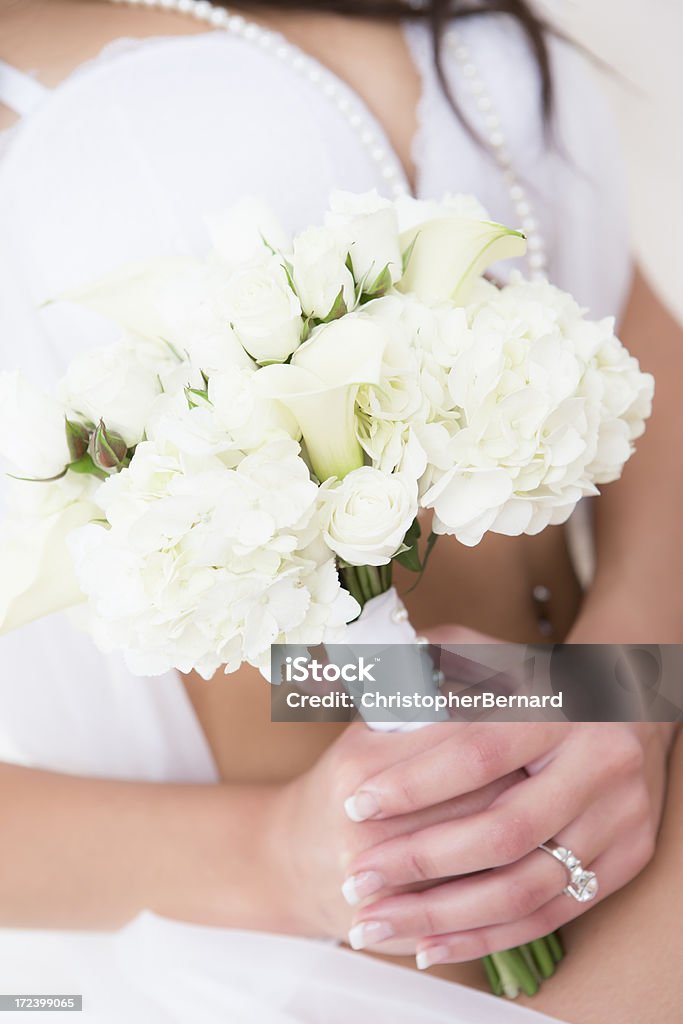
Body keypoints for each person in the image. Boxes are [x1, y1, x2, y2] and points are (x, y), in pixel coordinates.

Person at [0, 2, 680, 1022]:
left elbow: (632, 349)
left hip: (622, 758)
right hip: (338, 934)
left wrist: (628, 680)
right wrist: (283, 855)